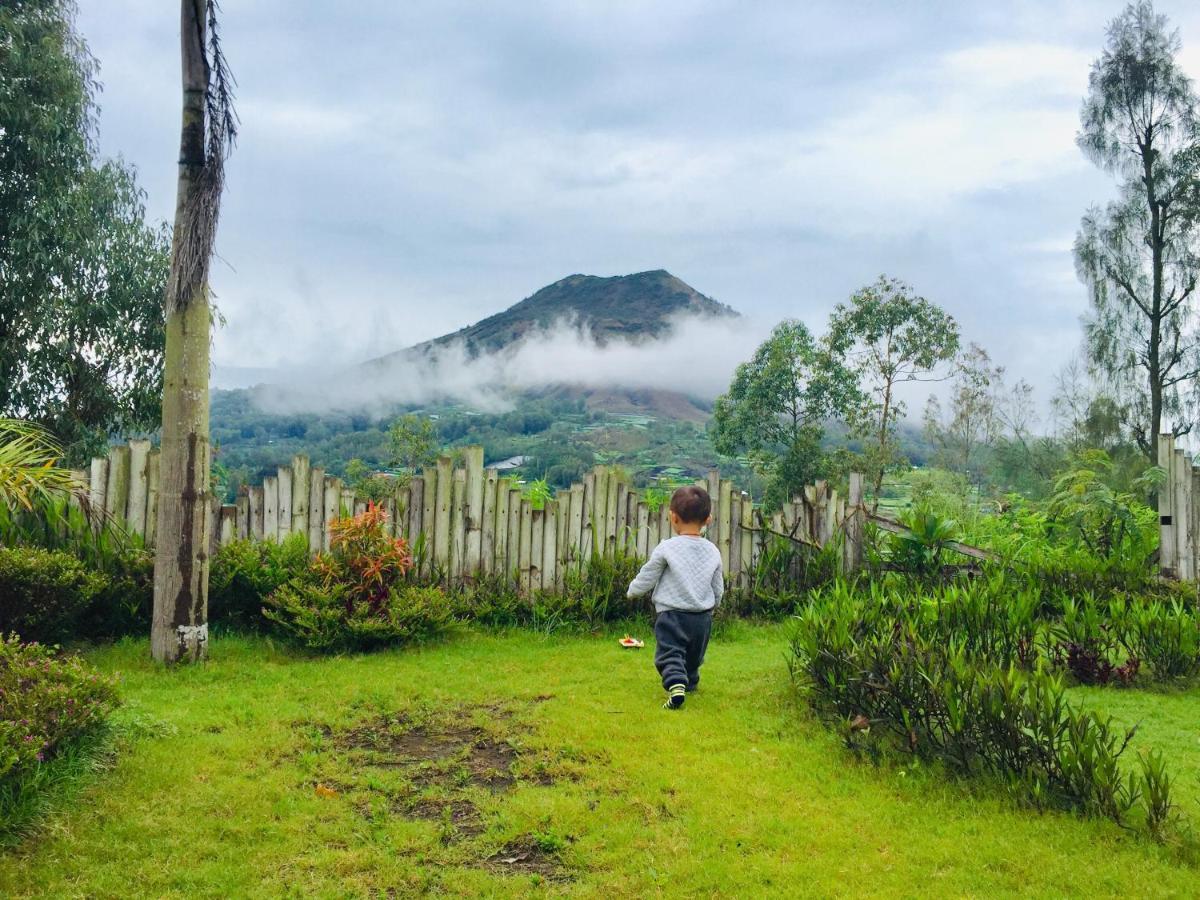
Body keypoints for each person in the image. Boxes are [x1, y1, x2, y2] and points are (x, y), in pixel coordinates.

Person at [626, 485, 723, 709]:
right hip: (702, 617)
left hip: (672, 614)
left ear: (673, 517)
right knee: (693, 656)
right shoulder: (713, 550)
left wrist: (633, 590)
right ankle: (689, 682)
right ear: (708, 519)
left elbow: (648, 574)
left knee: (670, 652)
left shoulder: (667, 548)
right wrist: (715, 603)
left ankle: (676, 684)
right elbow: (718, 585)